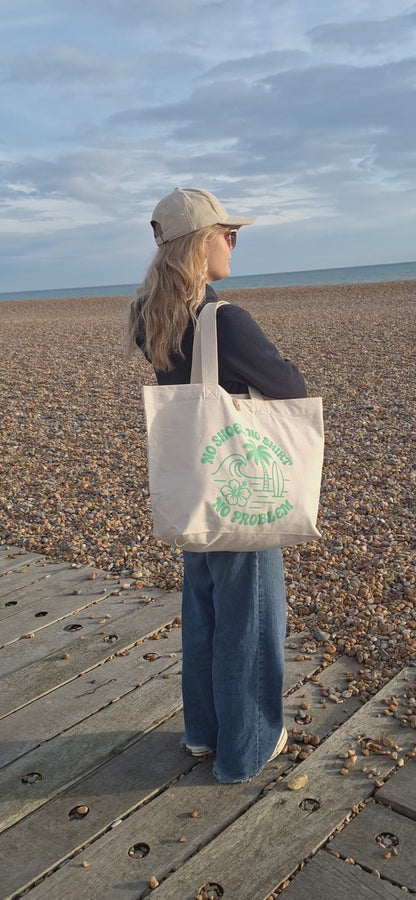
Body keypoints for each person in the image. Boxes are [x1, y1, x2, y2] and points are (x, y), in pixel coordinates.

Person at [128, 187, 307, 783]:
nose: (234, 242)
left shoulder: (149, 315)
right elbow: (289, 387)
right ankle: (246, 749)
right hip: (237, 486)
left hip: (193, 487)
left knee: (204, 612)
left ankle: (204, 733)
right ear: (197, 244)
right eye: (226, 234)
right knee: (250, 617)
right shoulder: (224, 319)